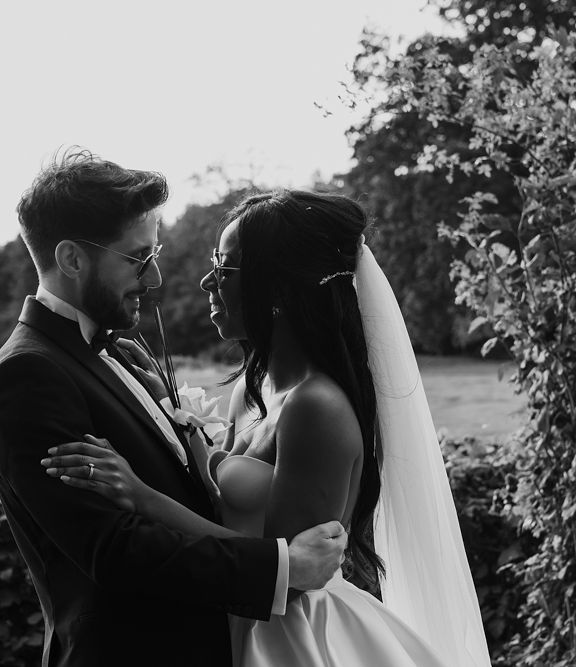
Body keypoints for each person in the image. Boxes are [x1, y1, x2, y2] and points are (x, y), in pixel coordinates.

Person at [44, 190, 492, 666]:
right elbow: (222, 495)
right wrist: (166, 405)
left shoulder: (316, 408)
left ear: (279, 289)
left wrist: (142, 497)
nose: (206, 282)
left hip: (293, 639)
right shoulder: (252, 390)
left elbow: (290, 579)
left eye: (225, 269)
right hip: (236, 621)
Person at [0, 152, 347, 667]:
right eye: (139, 259)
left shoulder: (120, 351)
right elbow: (113, 549)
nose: (156, 277)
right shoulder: (27, 373)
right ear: (72, 259)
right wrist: (281, 569)